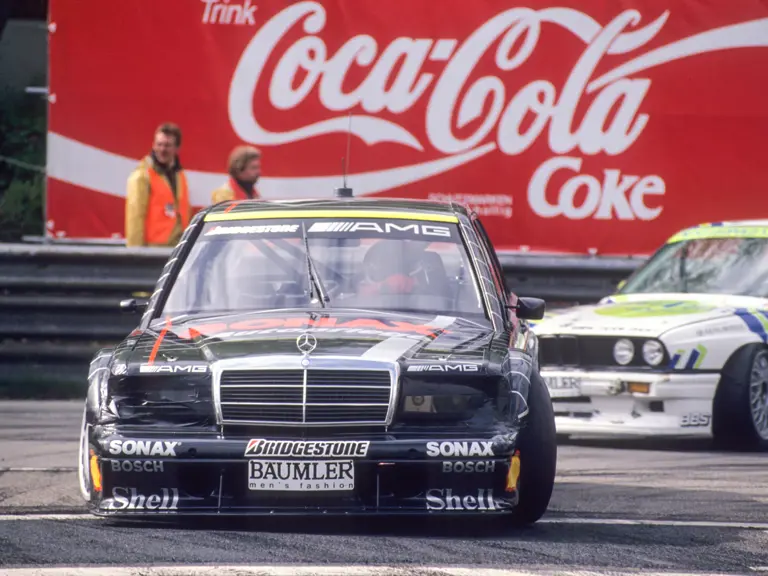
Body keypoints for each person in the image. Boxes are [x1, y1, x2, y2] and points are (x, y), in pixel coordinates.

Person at [124, 122, 191, 247]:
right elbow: (135, 219)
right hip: (152, 250)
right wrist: (135, 254)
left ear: (177, 148)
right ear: (153, 145)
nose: (162, 149)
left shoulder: (180, 175)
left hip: (177, 248)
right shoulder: (142, 176)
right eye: (159, 144)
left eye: (167, 145)